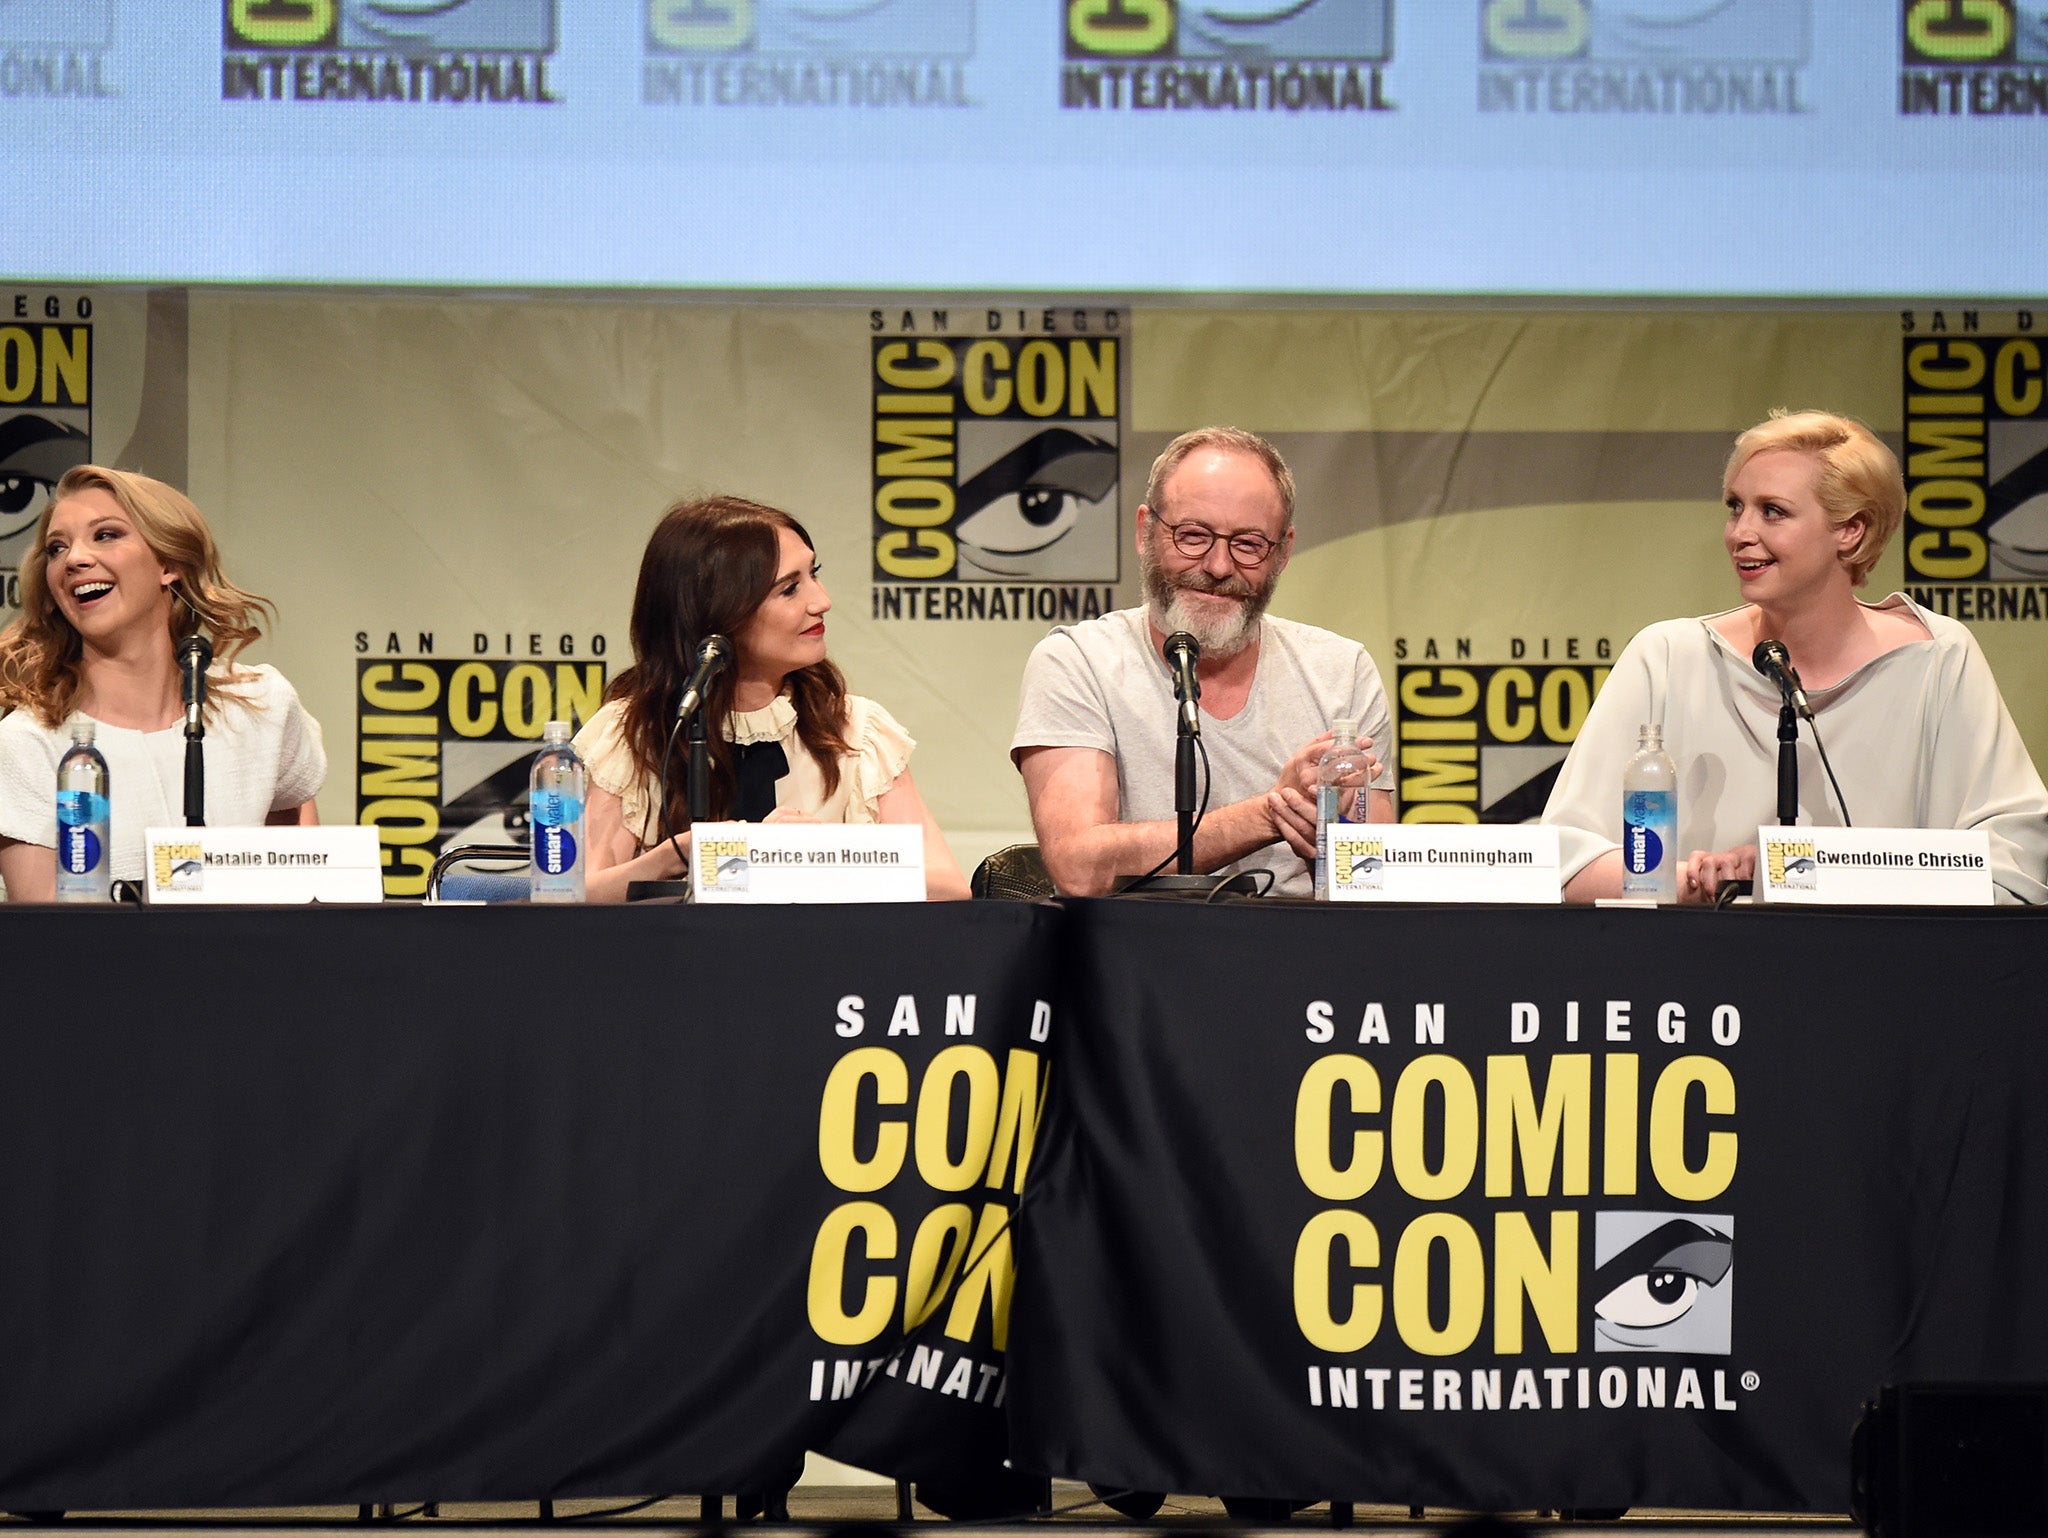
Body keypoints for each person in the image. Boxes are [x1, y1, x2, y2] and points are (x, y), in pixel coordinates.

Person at [1543, 409, 2048, 904]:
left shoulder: (1939, 659)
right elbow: (1566, 860)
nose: (1740, 533)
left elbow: (2015, 867)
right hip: (1697, 977)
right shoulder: (1669, 658)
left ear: (1851, 529)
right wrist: (1699, 882)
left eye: (1773, 511)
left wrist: (1797, 870)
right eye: (1735, 506)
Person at [1012, 425, 1395, 897]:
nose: (1217, 566)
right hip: (1136, 957)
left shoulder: (1343, 671)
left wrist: (1333, 830)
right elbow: (1079, 867)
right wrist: (1272, 811)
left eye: (1249, 544)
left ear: (1283, 552)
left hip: (1298, 953)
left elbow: (1374, 877)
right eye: (1192, 536)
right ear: (1145, 532)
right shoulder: (1079, 661)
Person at [577, 494, 970, 902]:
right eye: (790, 589)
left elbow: (948, 888)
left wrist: (810, 859)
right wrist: (677, 857)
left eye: (814, 575)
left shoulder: (856, 729)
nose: (822, 601)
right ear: (717, 611)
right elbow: (570, 899)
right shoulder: (634, 732)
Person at [0, 465, 326, 900]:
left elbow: (305, 890)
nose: (74, 559)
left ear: (169, 562)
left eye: (106, 535)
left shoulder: (262, 705)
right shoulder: (27, 743)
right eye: (57, 548)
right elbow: (51, 938)